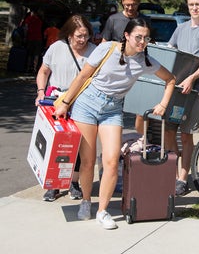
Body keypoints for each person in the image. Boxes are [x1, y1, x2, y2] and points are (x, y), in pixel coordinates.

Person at [54, 18, 176, 229]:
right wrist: (64, 103)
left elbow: (171, 79)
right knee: (88, 160)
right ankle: (85, 201)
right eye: (138, 37)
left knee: (111, 160)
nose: (142, 42)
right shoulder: (107, 49)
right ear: (126, 35)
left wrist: (163, 104)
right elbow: (84, 75)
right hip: (87, 105)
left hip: (112, 110)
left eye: (146, 38)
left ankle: (102, 211)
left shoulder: (145, 61)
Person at [35, 14, 97, 202]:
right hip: (55, 100)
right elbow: (44, 71)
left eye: (85, 35)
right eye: (79, 35)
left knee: (78, 143)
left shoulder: (94, 51)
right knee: (56, 143)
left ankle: (74, 183)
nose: (82, 40)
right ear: (69, 34)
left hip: (81, 101)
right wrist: (40, 92)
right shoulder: (57, 48)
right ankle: (53, 184)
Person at [165, 0, 199, 196]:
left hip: (195, 90)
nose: (195, 8)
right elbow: (170, 50)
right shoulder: (181, 28)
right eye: (191, 4)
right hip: (176, 88)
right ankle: (174, 167)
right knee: (169, 131)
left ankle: (182, 178)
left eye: (198, 4)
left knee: (186, 135)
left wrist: (192, 78)